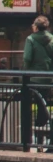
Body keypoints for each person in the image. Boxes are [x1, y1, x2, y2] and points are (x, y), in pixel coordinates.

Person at [26, 18, 53, 152]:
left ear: (36, 27)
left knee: (27, 107)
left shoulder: (30, 39)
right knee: (43, 107)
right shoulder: (51, 39)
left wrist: (26, 73)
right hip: (48, 78)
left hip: (34, 79)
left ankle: (30, 142)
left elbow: (27, 58)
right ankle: (41, 142)